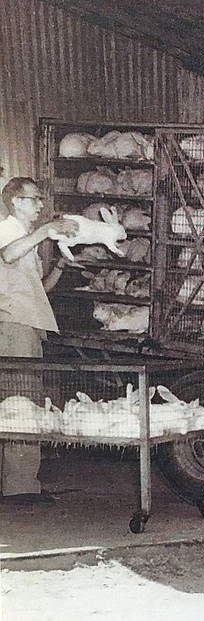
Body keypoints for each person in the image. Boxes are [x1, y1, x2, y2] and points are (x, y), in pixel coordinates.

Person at [0, 177, 77, 502]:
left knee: (17, 402)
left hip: (26, 324)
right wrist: (45, 231)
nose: (41, 204)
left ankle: (17, 482)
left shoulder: (24, 237)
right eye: (34, 199)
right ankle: (20, 488)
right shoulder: (9, 229)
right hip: (14, 325)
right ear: (16, 201)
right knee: (22, 403)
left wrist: (60, 265)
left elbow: (39, 289)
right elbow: (7, 256)